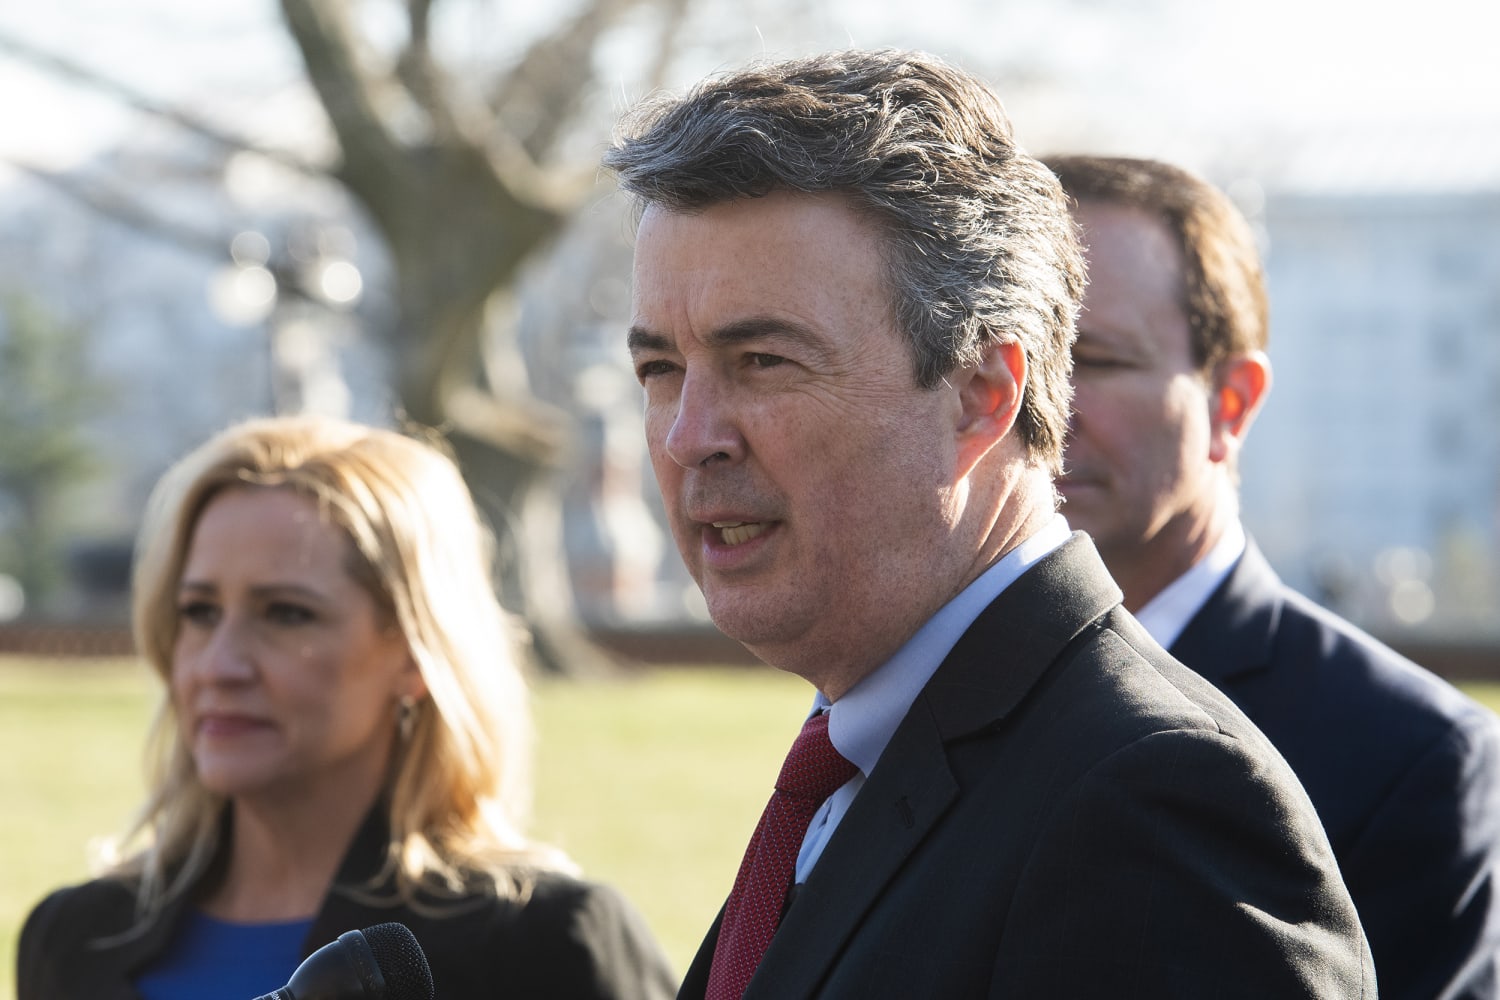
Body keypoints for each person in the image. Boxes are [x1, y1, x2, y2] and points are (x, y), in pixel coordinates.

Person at [604, 48, 1375, 999]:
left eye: (762, 361)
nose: (690, 437)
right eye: (661, 370)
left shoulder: (1153, 803)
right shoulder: (864, 754)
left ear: (980, 395)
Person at [17, 415, 677, 1000]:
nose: (219, 665)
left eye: (285, 614)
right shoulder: (73, 939)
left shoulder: (544, 945)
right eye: (199, 612)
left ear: (415, 654)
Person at [1045, 152, 1500, 1000]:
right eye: (1013, 358)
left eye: (1093, 360)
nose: (1037, 404)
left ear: (1232, 402)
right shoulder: (905, 694)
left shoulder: (1410, 762)